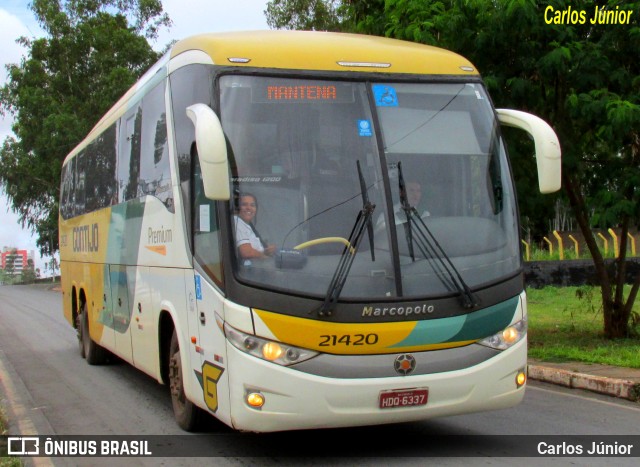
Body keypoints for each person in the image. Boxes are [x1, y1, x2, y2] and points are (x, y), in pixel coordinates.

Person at [233, 193, 276, 260]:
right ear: (237, 208)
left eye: (252, 205)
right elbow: (247, 252)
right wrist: (265, 257)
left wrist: (267, 251)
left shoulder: (250, 226)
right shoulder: (237, 222)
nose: (249, 208)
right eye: (244, 204)